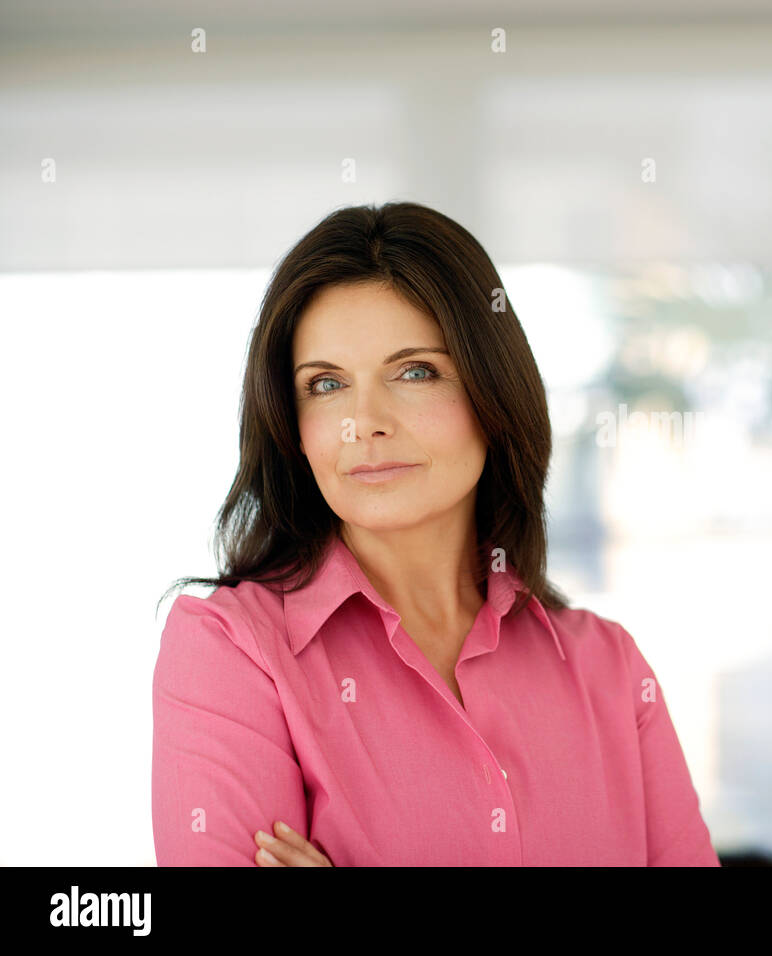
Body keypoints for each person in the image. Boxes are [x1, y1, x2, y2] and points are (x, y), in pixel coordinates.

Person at [151, 201, 719, 866]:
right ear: (293, 428)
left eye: (414, 371)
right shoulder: (230, 652)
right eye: (327, 384)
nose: (363, 422)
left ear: (491, 391)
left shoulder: (611, 672)